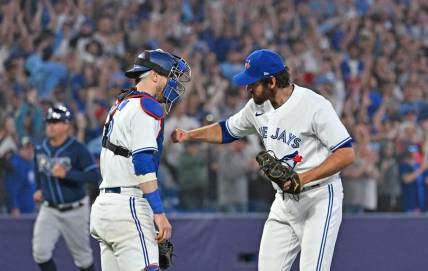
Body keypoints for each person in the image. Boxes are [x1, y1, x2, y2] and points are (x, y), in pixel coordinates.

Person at [171, 49, 355, 271]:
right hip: (284, 201)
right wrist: (190, 135)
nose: (247, 88)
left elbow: (346, 153)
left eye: (253, 83)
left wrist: (303, 178)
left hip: (319, 198)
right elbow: (227, 130)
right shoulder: (257, 107)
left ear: (272, 81)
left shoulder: (315, 105)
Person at [90, 49, 191, 271]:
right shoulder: (147, 107)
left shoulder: (121, 104)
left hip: (104, 207)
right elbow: (143, 162)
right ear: (155, 75)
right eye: (169, 76)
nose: (172, 83)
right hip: (128, 207)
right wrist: (158, 213)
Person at [32, 105, 101, 271]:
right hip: (49, 209)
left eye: (55, 121)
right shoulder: (41, 149)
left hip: (75, 209)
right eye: (49, 121)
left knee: (83, 259)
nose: (51, 125)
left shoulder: (77, 149)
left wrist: (67, 174)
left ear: (66, 125)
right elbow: (38, 172)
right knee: (40, 253)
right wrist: (39, 188)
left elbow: (94, 176)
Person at [4, 136, 36, 217]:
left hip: (29, 209)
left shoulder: (29, 163)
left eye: (31, 148)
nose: (30, 151)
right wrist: (14, 207)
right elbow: (11, 188)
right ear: (20, 150)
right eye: (26, 149)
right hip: (19, 211)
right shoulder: (17, 164)